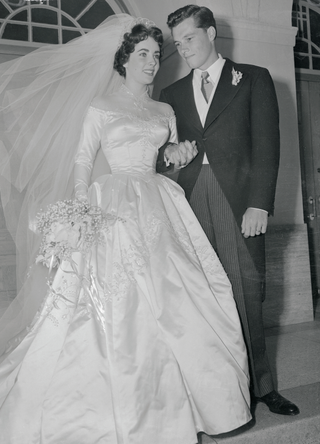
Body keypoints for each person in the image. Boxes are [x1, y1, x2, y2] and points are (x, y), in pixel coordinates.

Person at [0, 13, 251, 444]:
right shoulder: (101, 107)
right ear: (123, 60)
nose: (152, 62)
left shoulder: (164, 109)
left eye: (156, 54)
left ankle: (194, 403)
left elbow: (166, 158)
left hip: (158, 201)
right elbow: (82, 158)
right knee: (114, 302)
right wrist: (81, 210)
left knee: (179, 292)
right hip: (111, 200)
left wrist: (180, 153)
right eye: (142, 55)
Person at [159, 4, 299, 416]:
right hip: (189, 200)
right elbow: (161, 159)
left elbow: (267, 145)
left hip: (239, 201)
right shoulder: (171, 95)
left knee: (246, 290)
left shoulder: (254, 78)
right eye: (178, 42)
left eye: (190, 38)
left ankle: (262, 386)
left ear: (211, 32)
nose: (183, 49)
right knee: (202, 296)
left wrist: (260, 202)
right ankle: (218, 391)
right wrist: (173, 155)